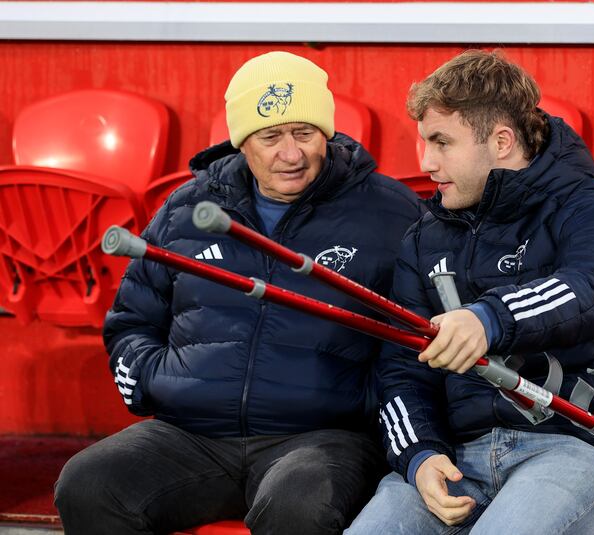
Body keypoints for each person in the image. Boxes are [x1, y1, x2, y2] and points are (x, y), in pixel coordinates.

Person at [55, 51, 423, 535]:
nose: (291, 154)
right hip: (192, 434)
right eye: (271, 137)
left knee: (298, 503)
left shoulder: (392, 213)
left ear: (327, 133)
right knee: (86, 484)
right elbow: (132, 320)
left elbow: (417, 343)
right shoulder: (186, 207)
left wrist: (363, 402)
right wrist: (151, 380)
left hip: (322, 439)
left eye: (305, 133)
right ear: (241, 143)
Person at [347, 50, 594, 535]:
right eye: (424, 142)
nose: (425, 162)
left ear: (502, 141)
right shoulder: (424, 239)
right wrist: (419, 455)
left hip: (580, 448)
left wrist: (487, 319)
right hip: (457, 457)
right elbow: (401, 371)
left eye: (442, 142)